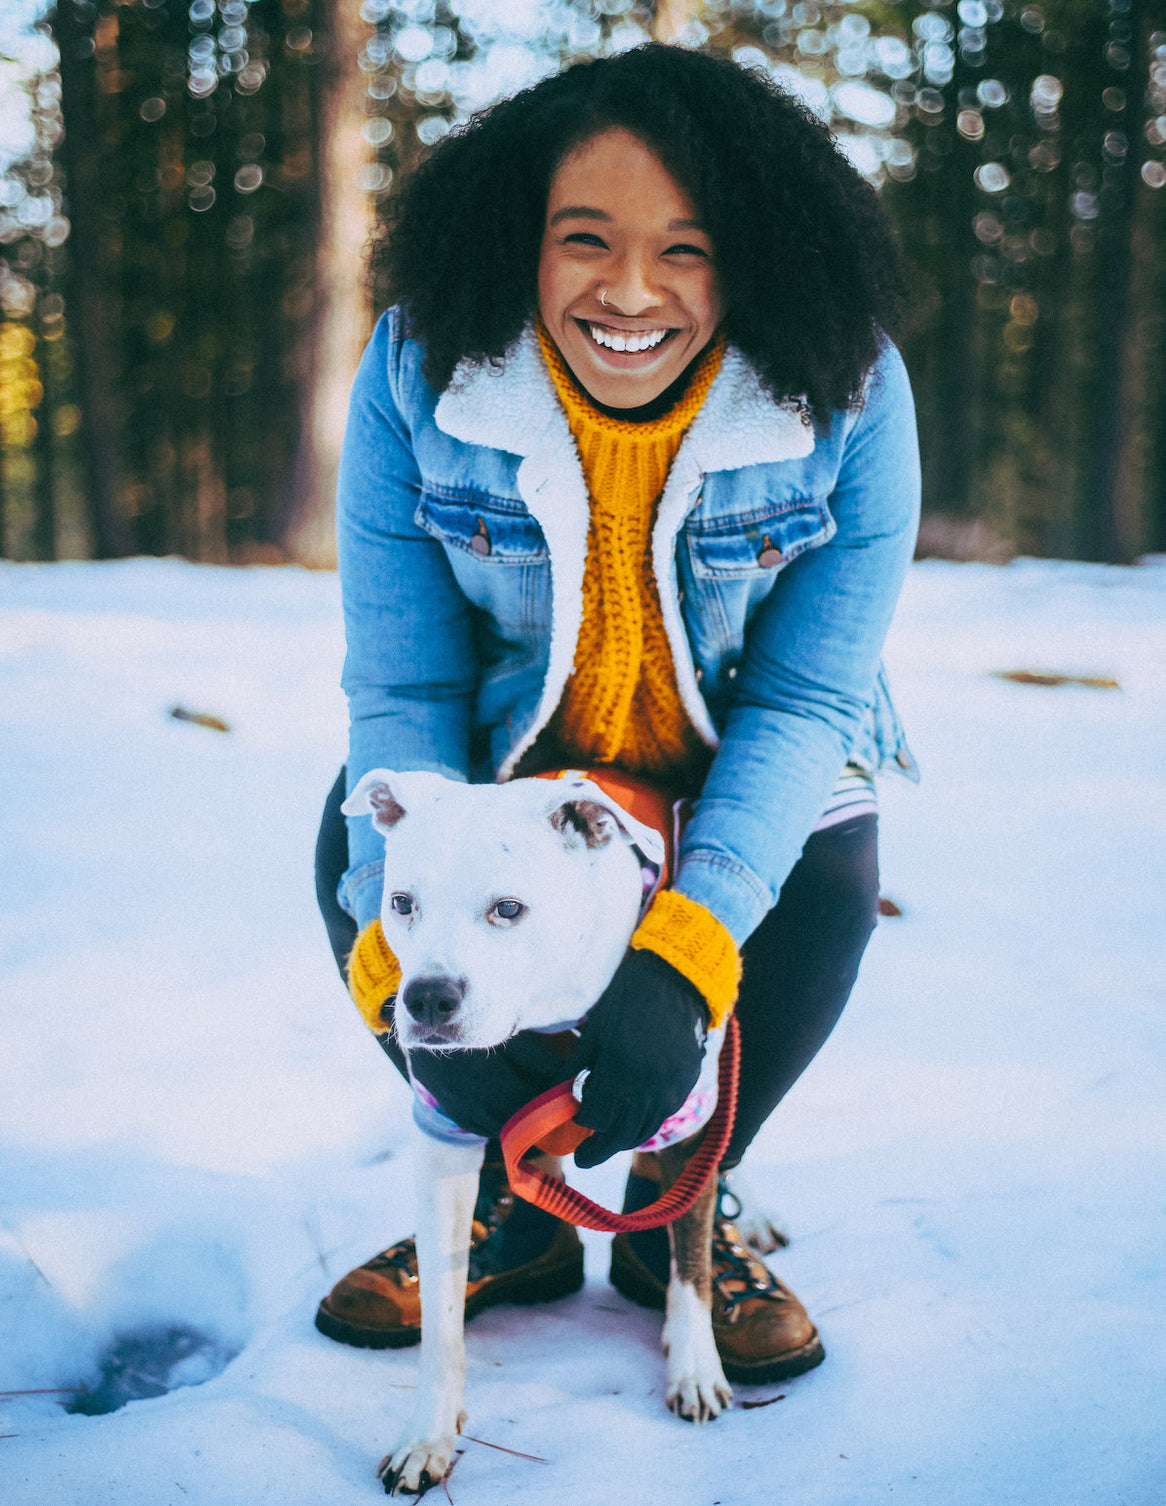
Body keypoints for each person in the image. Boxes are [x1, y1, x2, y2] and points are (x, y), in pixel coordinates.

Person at [313, 43, 920, 1386]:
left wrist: (688, 948)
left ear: (754, 255)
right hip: (519, 735)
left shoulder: (848, 388)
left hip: (744, 738)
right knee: (353, 843)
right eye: (582, 239)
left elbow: (811, 692)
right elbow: (403, 687)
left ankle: (683, 1197)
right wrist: (390, 976)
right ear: (513, 243)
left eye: (687, 251)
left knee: (828, 865)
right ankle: (513, 1200)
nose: (631, 291)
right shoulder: (422, 369)